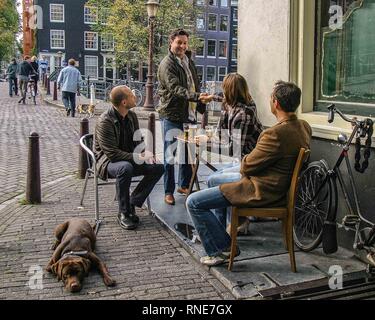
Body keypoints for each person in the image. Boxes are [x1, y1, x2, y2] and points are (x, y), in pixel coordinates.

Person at [186, 81, 312, 266]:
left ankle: (222, 249)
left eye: (271, 98)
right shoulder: (303, 126)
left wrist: (246, 160)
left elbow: (247, 166)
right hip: (275, 183)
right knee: (215, 179)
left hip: (261, 189)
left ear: (275, 103)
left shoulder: (275, 134)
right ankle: (222, 238)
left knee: (193, 202)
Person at [94, 85, 164, 230]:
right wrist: (139, 156)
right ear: (124, 102)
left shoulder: (131, 116)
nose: (135, 96)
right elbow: (112, 154)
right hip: (107, 162)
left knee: (158, 167)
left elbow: (137, 140)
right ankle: (124, 213)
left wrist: (146, 154)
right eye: (132, 95)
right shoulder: (105, 121)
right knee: (125, 168)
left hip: (129, 158)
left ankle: (133, 202)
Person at [203, 73, 264, 234]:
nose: (222, 93)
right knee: (217, 177)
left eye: (224, 89)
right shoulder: (230, 105)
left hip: (248, 163)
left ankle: (225, 228)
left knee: (213, 180)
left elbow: (234, 149)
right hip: (240, 159)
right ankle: (228, 225)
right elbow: (220, 132)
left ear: (230, 92)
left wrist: (206, 143)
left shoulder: (243, 115)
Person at [157, 28, 211, 206]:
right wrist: (197, 97)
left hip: (189, 113)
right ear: (171, 42)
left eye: (185, 43)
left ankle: (184, 185)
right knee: (170, 154)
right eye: (179, 42)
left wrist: (200, 102)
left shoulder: (189, 61)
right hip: (172, 114)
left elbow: (195, 85)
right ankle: (168, 191)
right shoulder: (167, 64)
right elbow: (175, 89)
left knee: (187, 153)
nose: (182, 46)